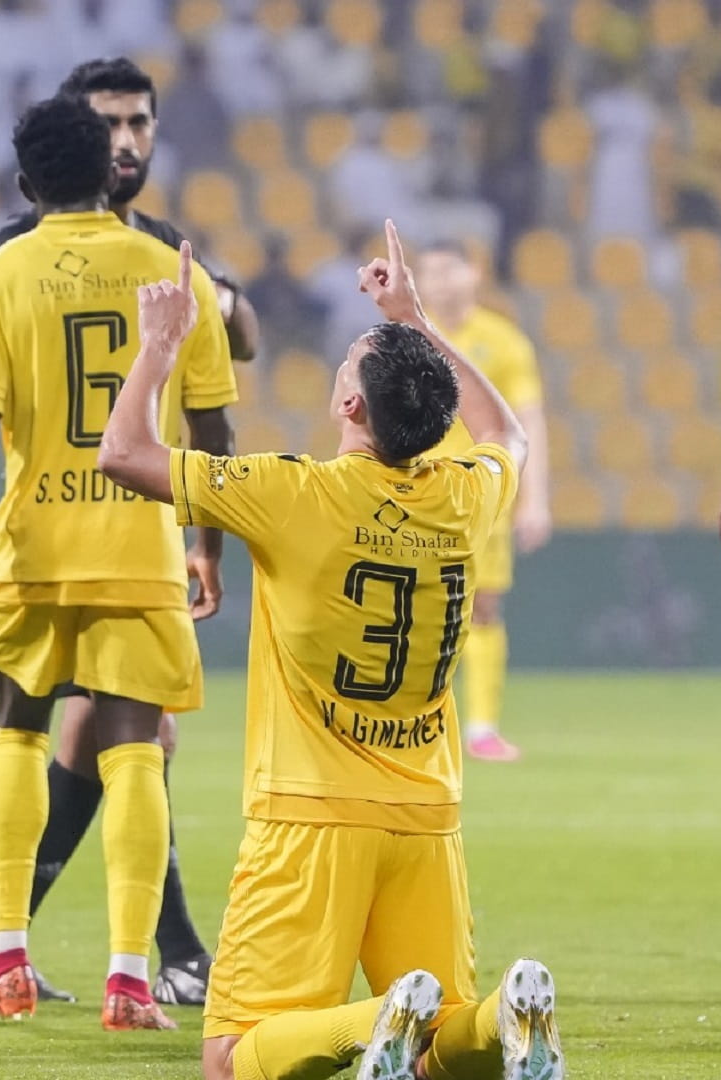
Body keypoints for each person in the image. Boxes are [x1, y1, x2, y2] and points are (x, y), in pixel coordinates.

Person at [97, 217, 563, 1080]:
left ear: (350, 406)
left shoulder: (292, 493)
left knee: (230, 1057)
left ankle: (372, 1022)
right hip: (427, 815)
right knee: (440, 1045)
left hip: (309, 816)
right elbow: (510, 437)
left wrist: (160, 346)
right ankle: (501, 1019)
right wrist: (417, 321)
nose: (343, 365)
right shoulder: (463, 497)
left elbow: (122, 454)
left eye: (349, 361)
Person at [0, 56, 255, 1008]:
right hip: (140, 547)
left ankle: (0, 956)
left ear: (26, 181)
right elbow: (215, 427)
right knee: (137, 750)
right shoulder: (172, 271)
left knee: (17, 734)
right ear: (105, 166)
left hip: (32, 546)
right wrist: (208, 542)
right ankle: (133, 976)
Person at [413, 241, 551, 762]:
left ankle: (482, 728)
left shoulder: (504, 341)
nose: (441, 281)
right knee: (413, 608)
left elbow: (529, 421)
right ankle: (413, 721)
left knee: (483, 609)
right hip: (417, 491)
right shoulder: (408, 340)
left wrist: (536, 498)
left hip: (482, 494)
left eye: (450, 269)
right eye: (430, 272)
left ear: (474, 274)